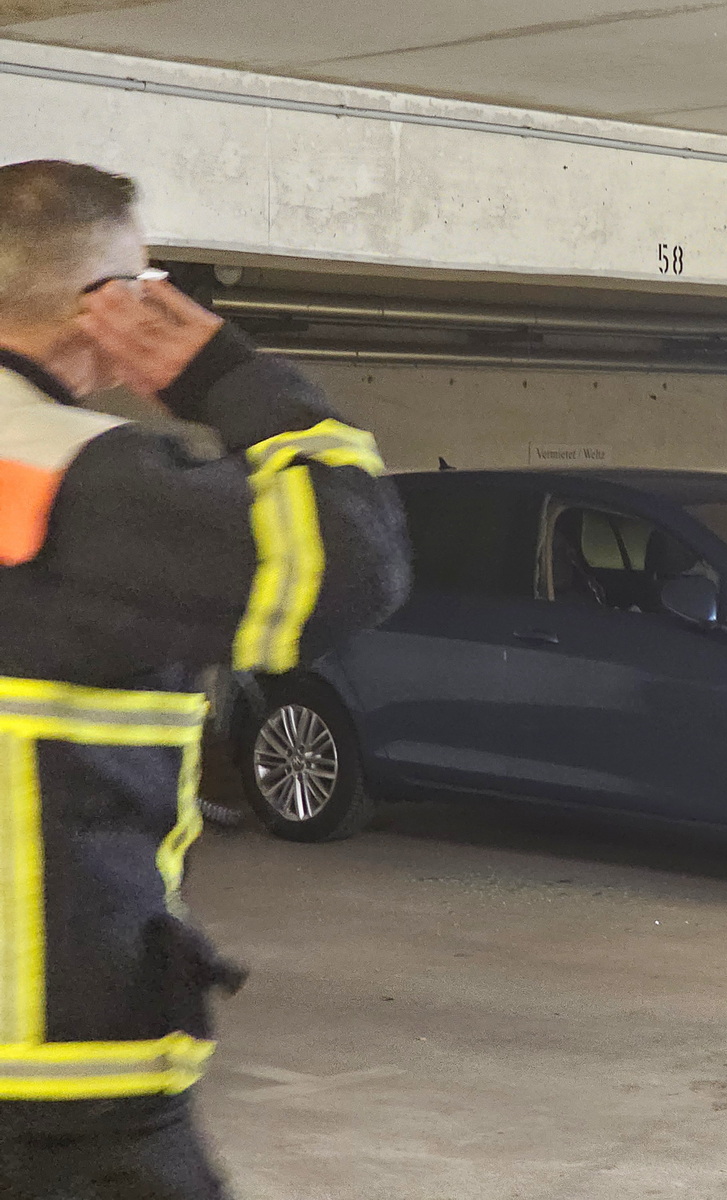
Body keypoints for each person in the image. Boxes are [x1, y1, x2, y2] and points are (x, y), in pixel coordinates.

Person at [0, 160, 408, 1198]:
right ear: (107, 307)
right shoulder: (80, 479)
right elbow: (352, 559)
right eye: (141, 282)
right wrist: (229, 378)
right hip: (56, 1086)